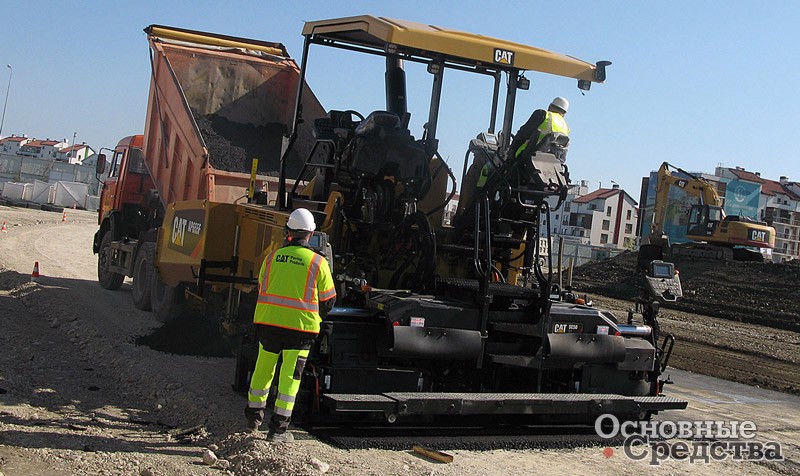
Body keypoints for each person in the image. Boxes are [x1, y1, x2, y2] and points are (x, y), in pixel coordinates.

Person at [244, 208, 337, 442]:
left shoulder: (272, 257)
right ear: (311, 233)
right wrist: (315, 316)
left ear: (288, 232)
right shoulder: (318, 262)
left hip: (268, 325)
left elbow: (261, 287)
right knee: (289, 379)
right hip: (300, 330)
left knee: (263, 370)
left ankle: (252, 422)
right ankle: (277, 431)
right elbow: (329, 299)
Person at [507, 96, 570, 162]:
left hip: (527, 158)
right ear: (564, 114)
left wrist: (511, 152)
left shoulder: (542, 114)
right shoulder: (566, 127)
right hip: (552, 165)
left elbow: (522, 135)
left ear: (549, 106)